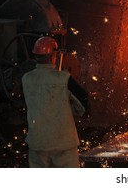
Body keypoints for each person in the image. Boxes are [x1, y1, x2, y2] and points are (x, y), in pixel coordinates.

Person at [22, 36, 88, 168]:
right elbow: (83, 104)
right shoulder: (64, 79)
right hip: (63, 144)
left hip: (37, 143)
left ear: (35, 56)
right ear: (54, 56)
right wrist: (73, 114)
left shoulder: (26, 79)